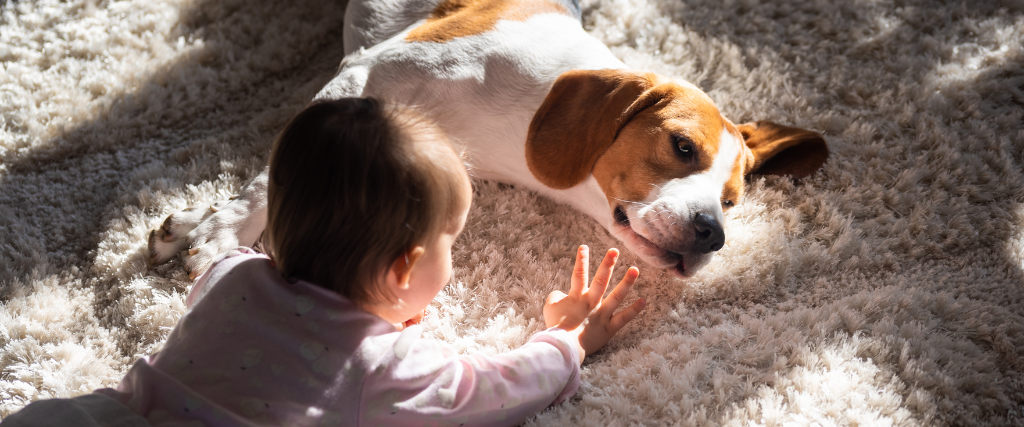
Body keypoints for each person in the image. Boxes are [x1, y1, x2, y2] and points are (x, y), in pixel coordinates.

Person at [3, 98, 646, 427]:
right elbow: (497, 390)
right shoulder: (386, 366)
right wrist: (567, 340)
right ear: (403, 270)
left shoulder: (228, 274)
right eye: (450, 242)